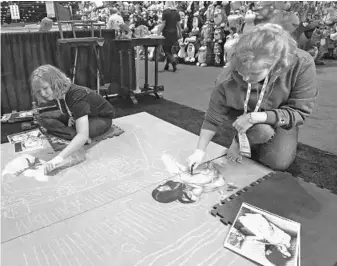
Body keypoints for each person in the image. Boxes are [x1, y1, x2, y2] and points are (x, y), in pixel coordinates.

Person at [187, 23, 318, 171]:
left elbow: (299, 112)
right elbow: (212, 118)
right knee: (262, 133)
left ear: (276, 65)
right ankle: (246, 136)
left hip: (281, 116)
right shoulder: (228, 76)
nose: (246, 78)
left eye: (254, 74)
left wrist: (255, 117)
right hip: (242, 113)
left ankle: (244, 139)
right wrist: (199, 152)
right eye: (241, 71)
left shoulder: (302, 64)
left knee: (278, 162)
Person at [30, 65, 115, 174]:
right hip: (82, 115)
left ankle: (76, 136)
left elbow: (76, 108)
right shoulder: (57, 93)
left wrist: (57, 160)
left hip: (101, 118)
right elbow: (68, 107)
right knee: (41, 117)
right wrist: (71, 116)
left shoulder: (76, 95)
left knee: (82, 135)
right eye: (39, 90)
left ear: (55, 82)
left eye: (45, 88)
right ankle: (76, 134)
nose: (42, 93)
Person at [157, 1, 182, 72]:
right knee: (169, 49)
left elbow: (163, 24)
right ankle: (167, 65)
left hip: (166, 33)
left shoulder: (165, 12)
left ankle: (173, 62)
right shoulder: (177, 12)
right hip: (174, 33)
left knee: (166, 50)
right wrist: (180, 33)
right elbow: (178, 25)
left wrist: (158, 32)